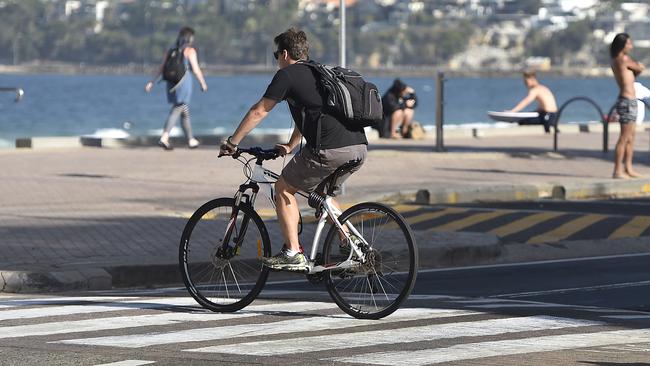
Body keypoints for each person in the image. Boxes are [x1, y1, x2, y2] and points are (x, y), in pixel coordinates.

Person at [219, 28, 368, 271]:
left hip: (329, 149)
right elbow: (311, 114)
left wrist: (232, 142)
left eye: (276, 54)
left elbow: (259, 111)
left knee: (284, 188)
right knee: (323, 196)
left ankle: (292, 252)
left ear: (285, 54)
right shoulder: (320, 72)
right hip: (358, 146)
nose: (277, 59)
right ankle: (350, 245)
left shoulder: (287, 75)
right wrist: (290, 145)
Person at [145, 26, 208, 150]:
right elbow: (195, 69)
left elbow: (161, 68)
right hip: (184, 83)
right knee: (178, 108)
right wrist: (203, 83)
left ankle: (191, 140)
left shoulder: (171, 50)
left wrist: (152, 82)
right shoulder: (190, 51)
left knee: (183, 110)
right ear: (190, 38)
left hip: (171, 83)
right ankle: (165, 137)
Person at [610, 33, 644, 179]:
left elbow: (632, 74)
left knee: (631, 137)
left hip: (631, 100)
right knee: (624, 137)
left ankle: (628, 168)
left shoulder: (619, 60)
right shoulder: (622, 59)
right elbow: (639, 67)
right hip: (626, 101)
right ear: (622, 45)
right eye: (628, 43)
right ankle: (618, 170)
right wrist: (639, 67)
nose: (631, 46)